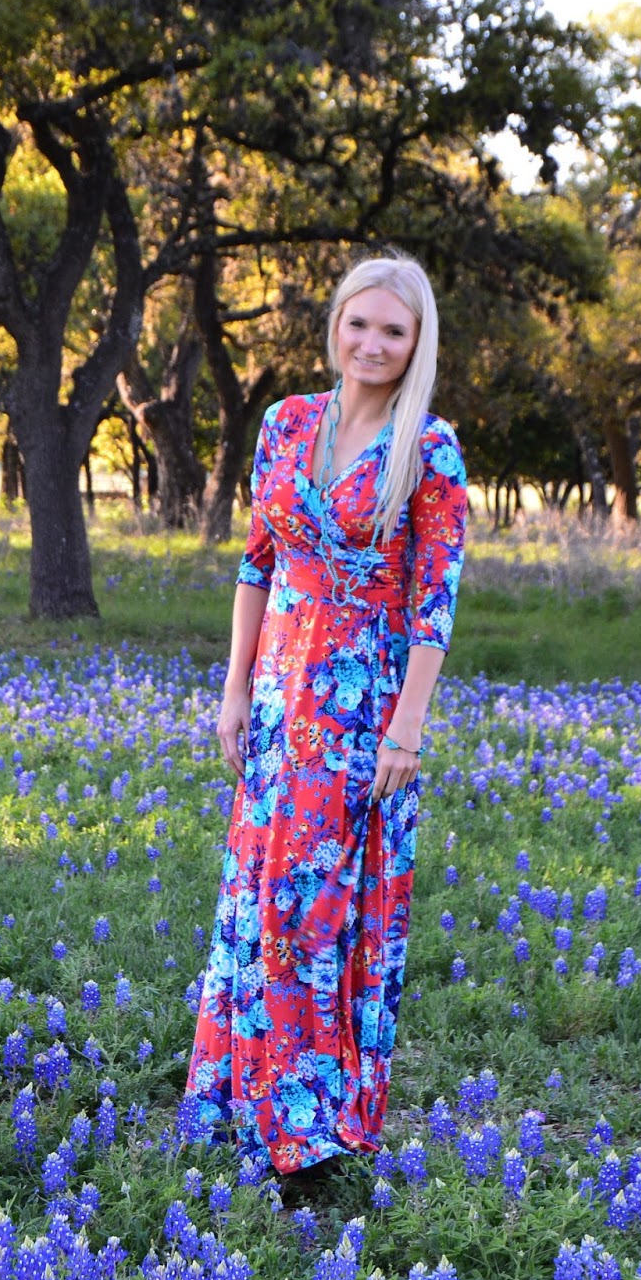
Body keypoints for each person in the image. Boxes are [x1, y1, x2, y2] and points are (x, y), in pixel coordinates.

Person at [183, 251, 469, 1183]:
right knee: (258, 894)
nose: (372, 344)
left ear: (417, 341)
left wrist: (408, 728)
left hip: (360, 704)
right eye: (360, 323)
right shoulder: (285, 422)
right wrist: (232, 691)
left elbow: (436, 602)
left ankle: (306, 1122)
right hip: (275, 693)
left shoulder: (428, 447)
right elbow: (256, 566)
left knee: (317, 907)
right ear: (335, 324)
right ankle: (238, 1099)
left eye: (394, 330)